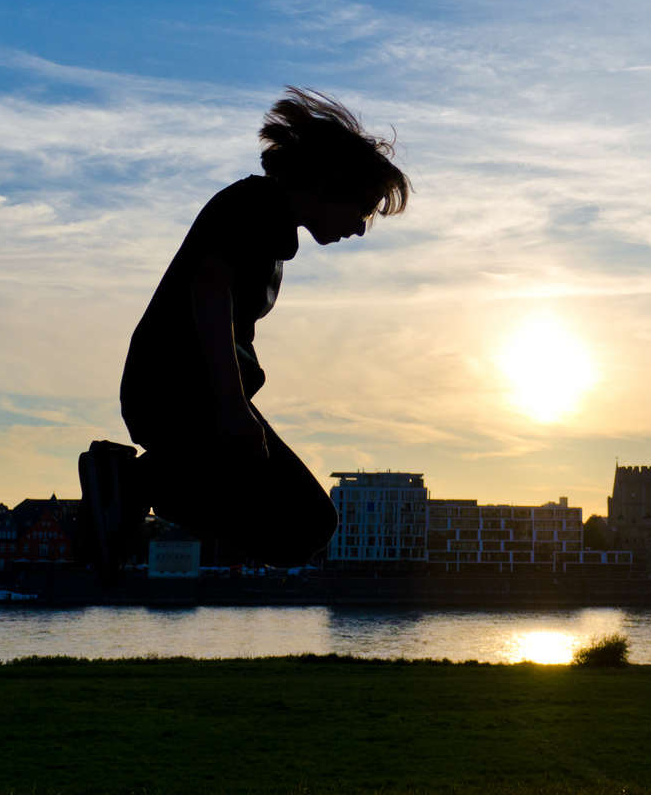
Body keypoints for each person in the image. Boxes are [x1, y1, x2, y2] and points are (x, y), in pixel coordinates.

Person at [76, 88, 411, 584]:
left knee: (305, 528)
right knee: (306, 524)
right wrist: (231, 406)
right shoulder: (256, 205)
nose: (360, 229)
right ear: (330, 183)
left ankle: (132, 487)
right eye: (362, 210)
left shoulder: (265, 218)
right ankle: (133, 481)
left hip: (188, 395)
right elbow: (207, 292)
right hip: (179, 394)